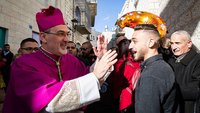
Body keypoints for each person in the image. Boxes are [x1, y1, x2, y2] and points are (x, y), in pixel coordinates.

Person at [3, 6, 117, 113]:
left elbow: (88, 75)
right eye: (60, 34)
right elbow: (48, 101)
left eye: (67, 34)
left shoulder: (71, 60)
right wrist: (95, 76)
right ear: (43, 37)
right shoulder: (23, 64)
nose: (67, 39)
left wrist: (100, 60)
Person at [129, 24, 177, 113]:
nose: (130, 46)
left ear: (151, 43)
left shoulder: (151, 75)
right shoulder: (159, 66)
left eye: (134, 41)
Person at [168, 30, 200, 113]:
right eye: (172, 43)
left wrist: (171, 91)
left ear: (189, 44)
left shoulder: (198, 61)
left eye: (177, 43)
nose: (174, 47)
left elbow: (196, 88)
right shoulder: (169, 61)